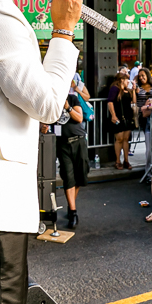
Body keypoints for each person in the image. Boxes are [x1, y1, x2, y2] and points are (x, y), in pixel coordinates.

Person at [54, 88, 88, 230]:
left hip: (78, 140)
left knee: (80, 175)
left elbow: (79, 118)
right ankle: (73, 213)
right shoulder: (51, 101)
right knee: (68, 176)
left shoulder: (72, 99)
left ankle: (71, 204)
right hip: (62, 143)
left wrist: (67, 107)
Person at [108, 71, 137, 170]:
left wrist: (133, 90)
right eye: (126, 80)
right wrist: (113, 115)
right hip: (118, 116)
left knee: (126, 139)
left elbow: (133, 101)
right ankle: (117, 160)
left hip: (127, 117)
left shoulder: (127, 90)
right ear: (122, 80)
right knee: (119, 139)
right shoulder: (115, 89)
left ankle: (126, 160)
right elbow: (110, 102)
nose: (128, 81)